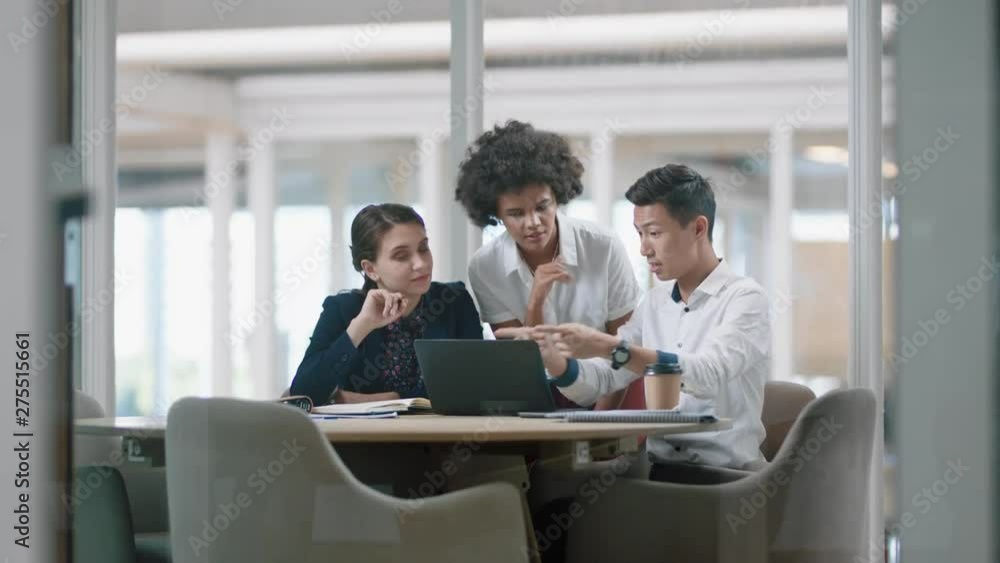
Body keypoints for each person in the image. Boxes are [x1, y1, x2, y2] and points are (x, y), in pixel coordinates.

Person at [504, 164, 770, 476]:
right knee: (545, 481)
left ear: (698, 228)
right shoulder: (654, 303)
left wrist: (610, 346)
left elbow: (708, 372)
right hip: (662, 473)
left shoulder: (745, 299)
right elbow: (601, 382)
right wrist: (555, 359)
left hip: (728, 479)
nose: (644, 249)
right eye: (640, 234)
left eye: (655, 233)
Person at [456, 119, 642, 410]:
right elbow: (524, 365)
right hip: (541, 396)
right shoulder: (485, 267)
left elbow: (626, 351)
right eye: (516, 213)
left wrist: (600, 429)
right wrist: (536, 301)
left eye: (542, 207)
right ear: (496, 214)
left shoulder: (602, 246)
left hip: (616, 388)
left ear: (558, 196)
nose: (533, 223)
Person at [290, 204, 483, 406]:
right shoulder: (341, 309)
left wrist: (389, 399)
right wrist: (360, 326)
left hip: (441, 434)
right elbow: (303, 394)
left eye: (423, 248)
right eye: (401, 256)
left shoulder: (453, 300)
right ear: (371, 269)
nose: (421, 263)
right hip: (362, 436)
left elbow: (475, 383)